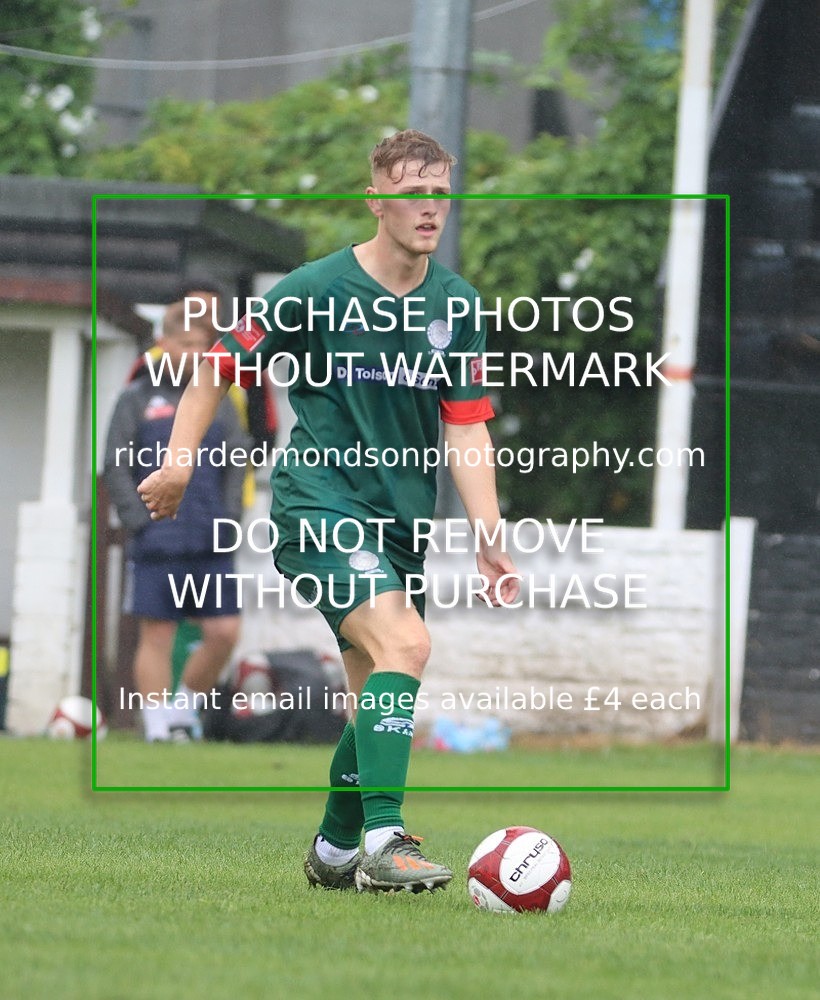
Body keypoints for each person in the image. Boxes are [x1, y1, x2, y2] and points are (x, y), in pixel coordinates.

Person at [137, 129, 520, 890]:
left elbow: (467, 420)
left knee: (375, 691)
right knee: (407, 646)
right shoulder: (313, 289)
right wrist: (179, 460)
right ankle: (386, 839)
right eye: (413, 194)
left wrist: (488, 531)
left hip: (399, 522)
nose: (430, 209)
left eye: (440, 193)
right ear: (376, 198)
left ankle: (336, 851)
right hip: (318, 504)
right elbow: (217, 370)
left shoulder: (458, 306)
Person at [104, 301, 250, 742]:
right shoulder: (137, 397)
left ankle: (183, 707)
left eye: (201, 346)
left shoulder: (220, 400)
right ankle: (156, 726)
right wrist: (140, 522)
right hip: (157, 538)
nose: (193, 352)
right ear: (162, 344)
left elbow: (237, 459)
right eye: (184, 343)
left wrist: (229, 521)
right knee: (158, 635)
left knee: (224, 632)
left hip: (210, 538)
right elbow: (115, 465)